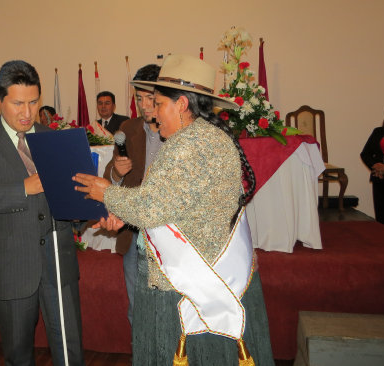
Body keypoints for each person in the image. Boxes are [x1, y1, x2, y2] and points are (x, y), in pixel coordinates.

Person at [74, 54, 274, 365]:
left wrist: (107, 193)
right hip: (210, 273)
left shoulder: (188, 146)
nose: (154, 115)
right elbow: (170, 203)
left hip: (183, 283)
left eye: (160, 105)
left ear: (181, 105)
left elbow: (152, 207)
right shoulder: (208, 137)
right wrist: (124, 210)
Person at [0, 60, 84, 366]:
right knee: (19, 356)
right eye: (18, 103)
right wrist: (24, 187)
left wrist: (85, 208)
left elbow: (69, 196)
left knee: (71, 352)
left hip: (58, 262)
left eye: (34, 102)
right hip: (12, 268)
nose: (28, 112)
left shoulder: (53, 138)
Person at [102, 64, 161, 326]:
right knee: (137, 309)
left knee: (169, 311)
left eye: (151, 98)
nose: (145, 105)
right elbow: (109, 178)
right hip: (134, 233)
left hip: (170, 235)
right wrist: (116, 171)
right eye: (139, 98)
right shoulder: (128, 127)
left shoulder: (181, 132)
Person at [360, 101, 384, 229]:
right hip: (380, 179)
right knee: (382, 218)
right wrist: (375, 167)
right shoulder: (378, 131)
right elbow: (365, 154)